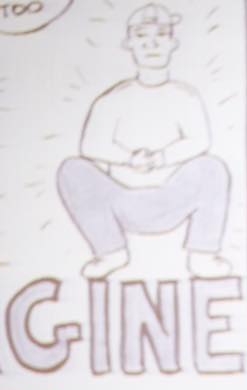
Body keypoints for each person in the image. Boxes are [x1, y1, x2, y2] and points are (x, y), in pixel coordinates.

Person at [57, 3, 231, 279]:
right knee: (72, 169)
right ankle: (109, 250)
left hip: (172, 197)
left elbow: (200, 140)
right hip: (122, 200)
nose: (151, 44)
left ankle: (203, 254)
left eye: (160, 35)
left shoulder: (186, 97)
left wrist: (161, 158)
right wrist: (130, 158)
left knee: (213, 168)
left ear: (173, 43)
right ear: (129, 44)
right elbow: (90, 146)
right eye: (141, 36)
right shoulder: (112, 99)